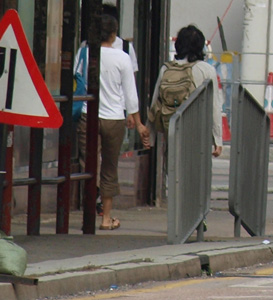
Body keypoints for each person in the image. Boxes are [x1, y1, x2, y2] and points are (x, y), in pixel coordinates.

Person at [80, 14, 150, 230]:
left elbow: (77, 79)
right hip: (114, 118)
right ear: (113, 34)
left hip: (88, 115)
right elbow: (131, 95)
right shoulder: (122, 57)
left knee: (88, 165)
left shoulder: (85, 53)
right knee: (109, 167)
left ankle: (89, 213)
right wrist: (139, 123)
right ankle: (106, 218)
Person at [149, 25, 223, 157]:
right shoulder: (206, 70)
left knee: (172, 164)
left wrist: (150, 135)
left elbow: (156, 103)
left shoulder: (166, 69)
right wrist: (217, 139)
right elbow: (215, 106)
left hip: (171, 131)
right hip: (197, 134)